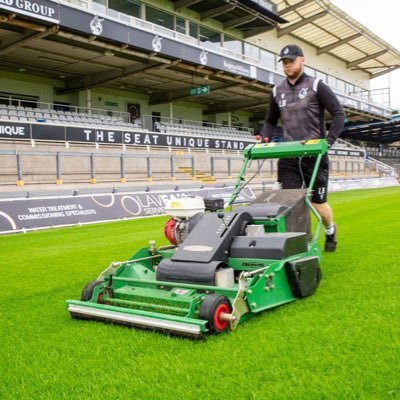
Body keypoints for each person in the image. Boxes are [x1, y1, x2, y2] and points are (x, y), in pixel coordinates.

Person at [261, 44, 345, 252]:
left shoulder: (316, 85)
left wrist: (329, 141)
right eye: (285, 62)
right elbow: (270, 120)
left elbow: (339, 114)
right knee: (292, 202)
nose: (288, 65)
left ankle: (330, 230)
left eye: (291, 60)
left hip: (315, 156)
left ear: (302, 60)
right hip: (289, 155)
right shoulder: (276, 90)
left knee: (318, 204)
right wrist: (265, 136)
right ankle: (302, 246)